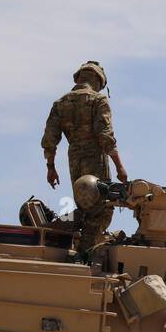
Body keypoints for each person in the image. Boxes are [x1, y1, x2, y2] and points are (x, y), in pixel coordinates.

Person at [41, 60, 128, 251]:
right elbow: (105, 136)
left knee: (85, 205)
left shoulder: (61, 103)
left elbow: (50, 139)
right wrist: (119, 166)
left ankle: (61, 226)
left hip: (74, 160)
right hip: (95, 159)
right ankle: (85, 251)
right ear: (98, 80)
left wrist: (51, 167)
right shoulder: (98, 100)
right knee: (102, 208)